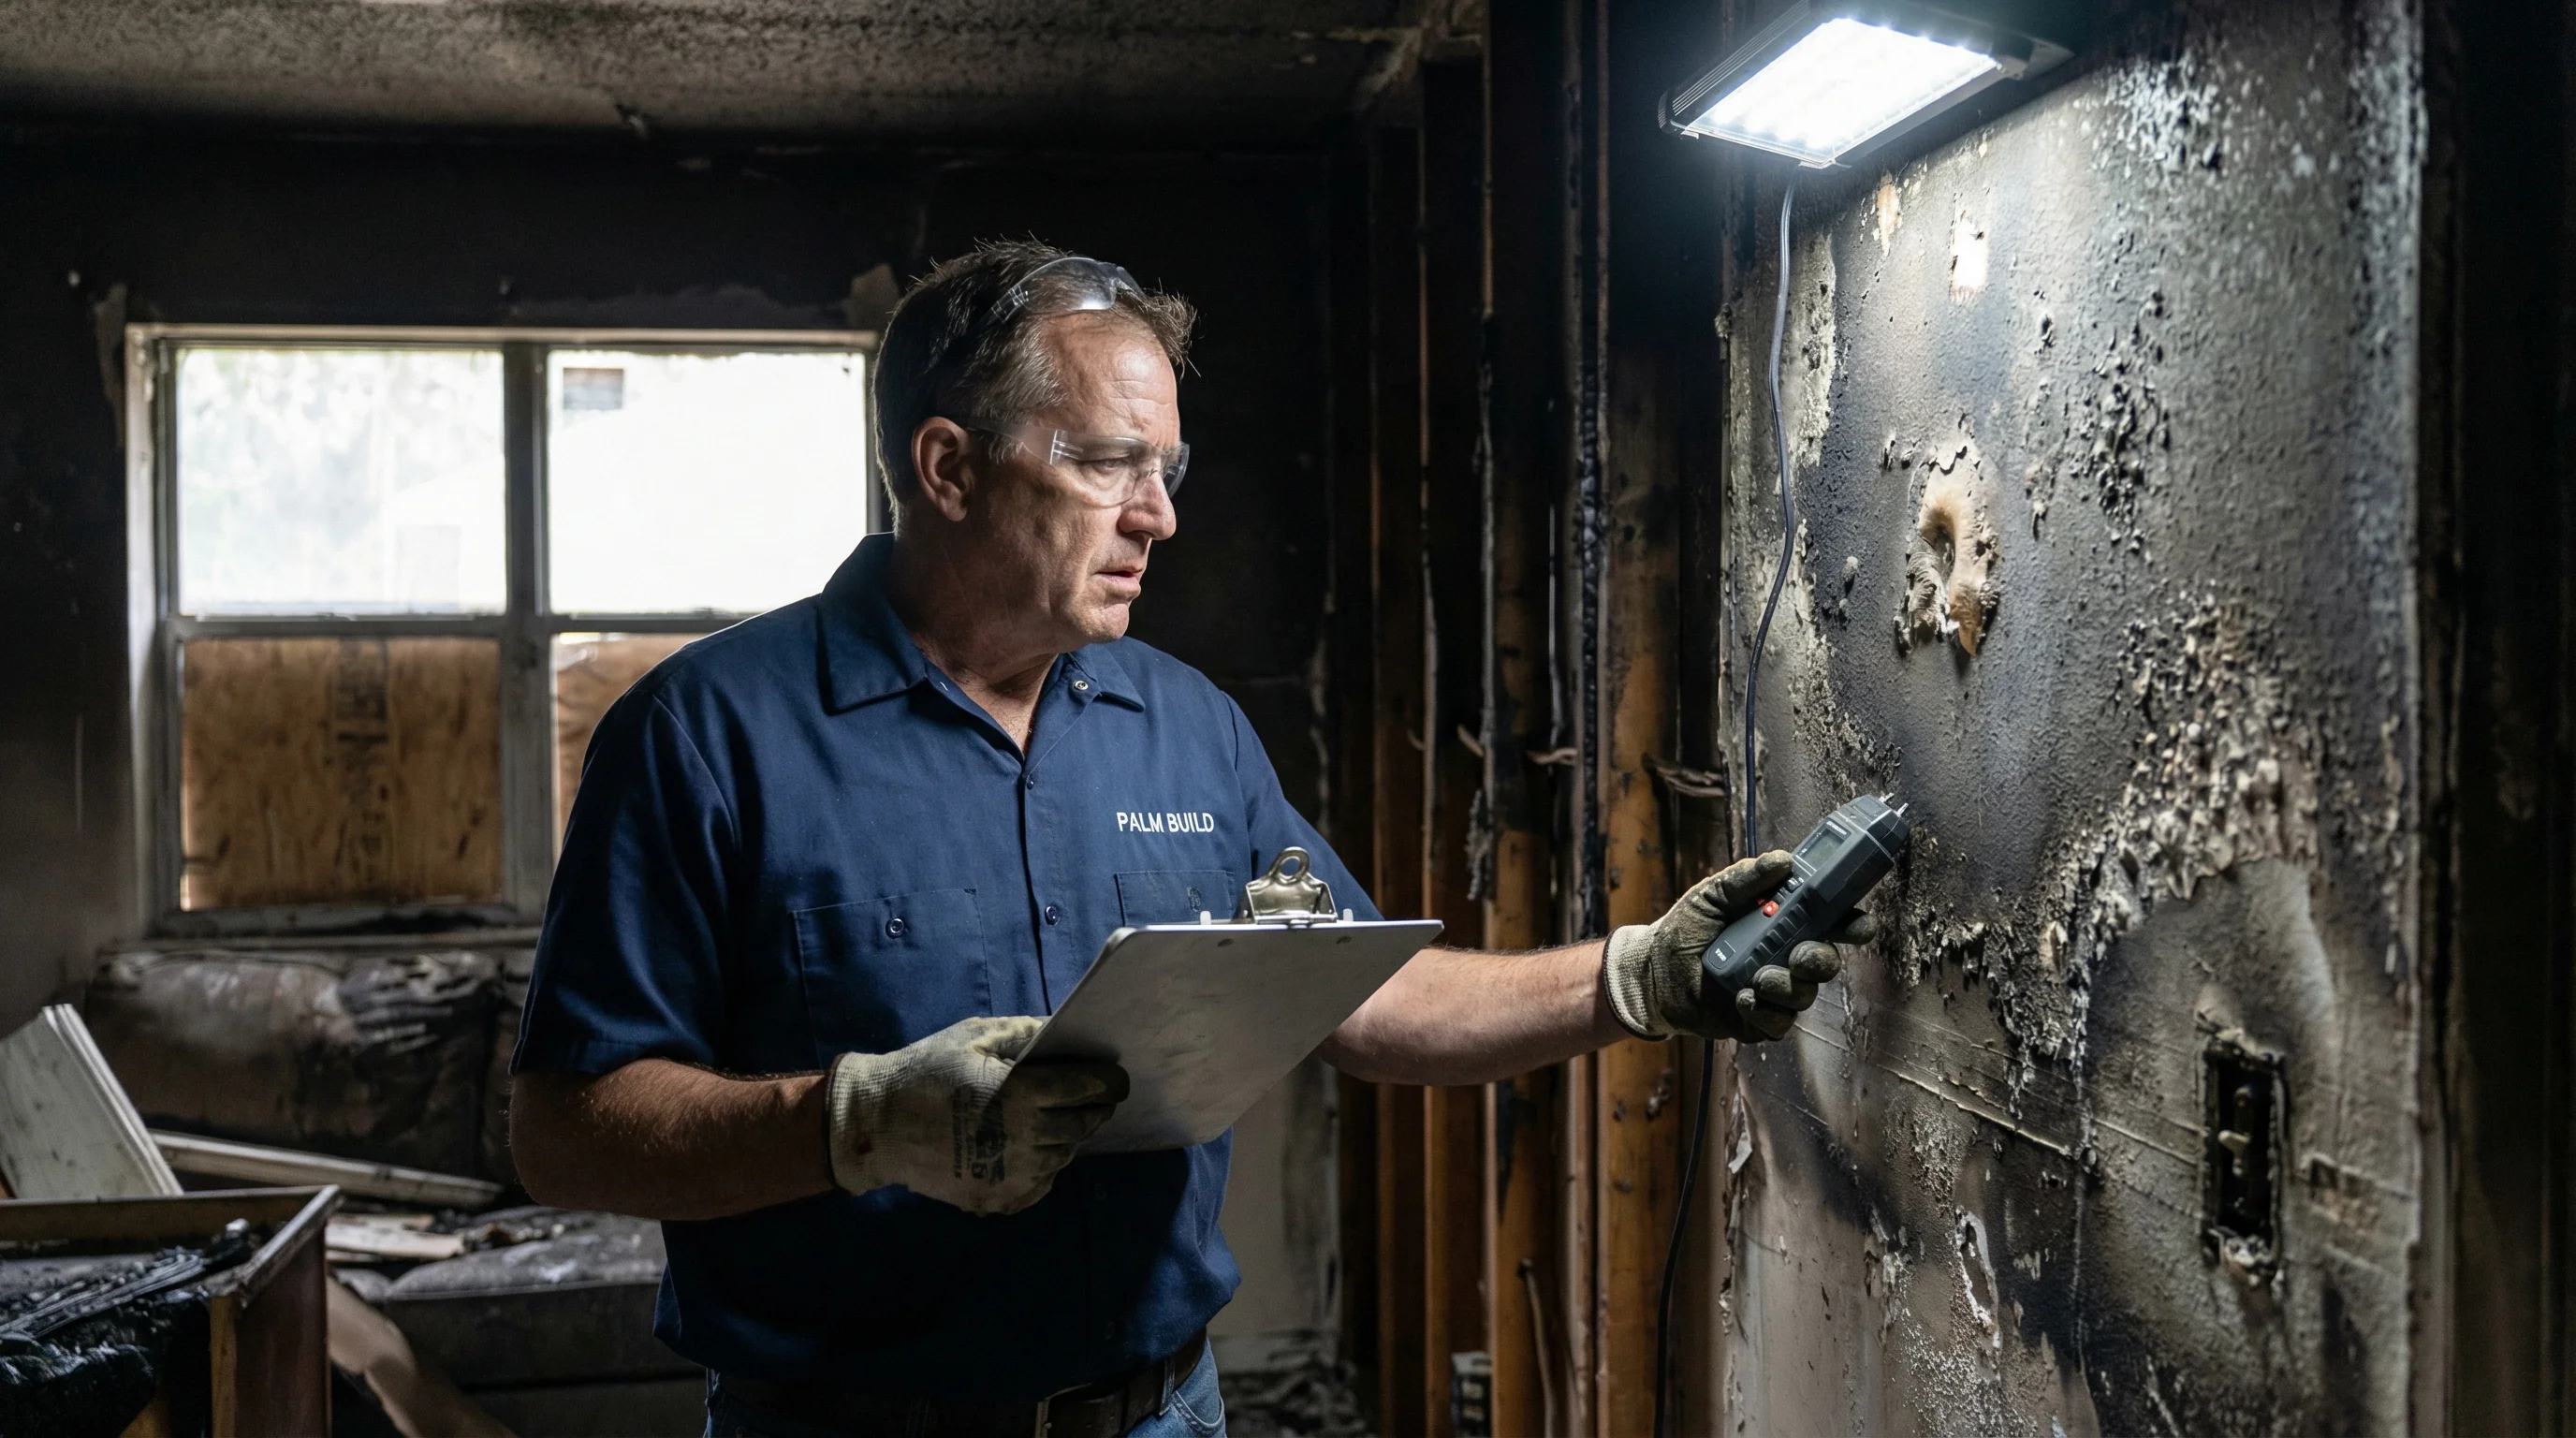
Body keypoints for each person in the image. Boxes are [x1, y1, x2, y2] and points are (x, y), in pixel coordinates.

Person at [508, 241, 1871, 1438]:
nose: (1158, 515)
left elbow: (1359, 993)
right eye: (1108, 463)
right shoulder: (706, 735)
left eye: (1165, 469)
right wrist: (857, 1122)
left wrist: (1639, 974)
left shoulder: (1185, 725)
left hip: (1160, 1411)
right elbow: (567, 1132)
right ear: (949, 468)